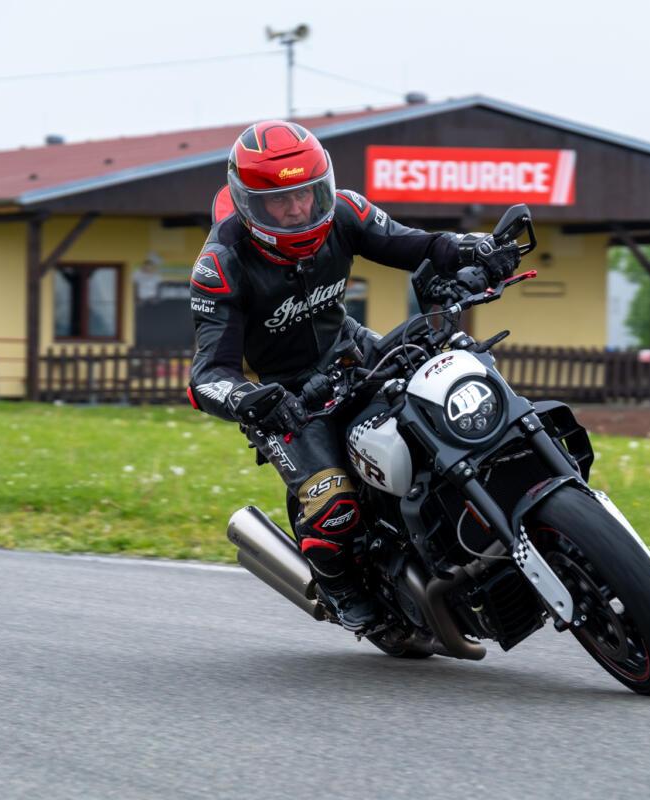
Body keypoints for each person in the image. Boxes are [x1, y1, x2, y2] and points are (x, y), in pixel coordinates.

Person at [186, 120, 520, 631]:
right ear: (251, 205)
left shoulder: (345, 212)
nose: (298, 210)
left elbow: (420, 244)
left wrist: (473, 250)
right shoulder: (221, 264)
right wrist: (249, 400)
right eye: (280, 201)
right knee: (335, 506)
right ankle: (340, 588)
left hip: (352, 352)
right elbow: (208, 373)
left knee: (454, 409)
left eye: (306, 193)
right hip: (285, 399)